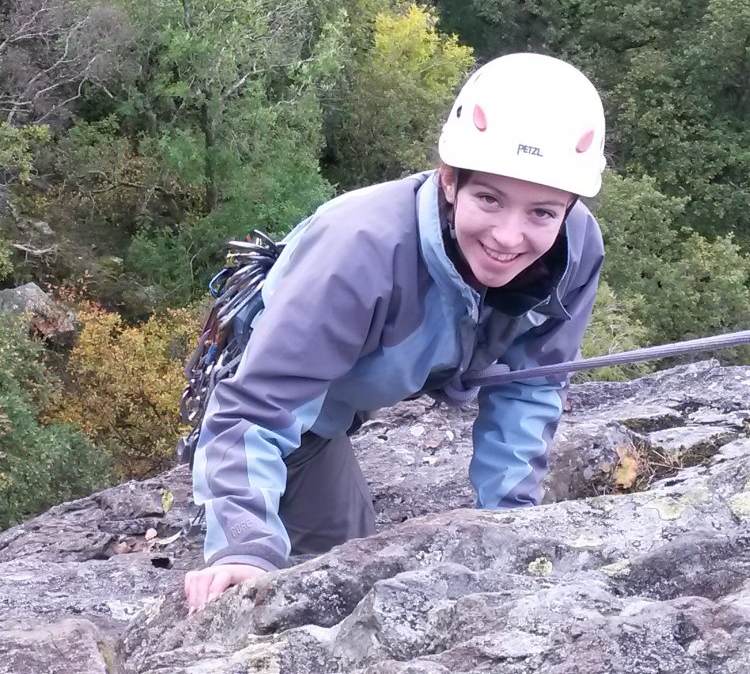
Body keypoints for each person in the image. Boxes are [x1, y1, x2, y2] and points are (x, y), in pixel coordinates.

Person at [184, 52, 606, 612]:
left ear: (569, 207)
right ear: (450, 180)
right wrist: (243, 546)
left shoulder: (574, 254)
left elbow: (529, 386)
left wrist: (510, 527)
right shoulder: (360, 251)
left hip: (347, 395)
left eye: (542, 213)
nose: (510, 236)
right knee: (340, 584)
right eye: (489, 199)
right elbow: (256, 410)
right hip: (299, 418)